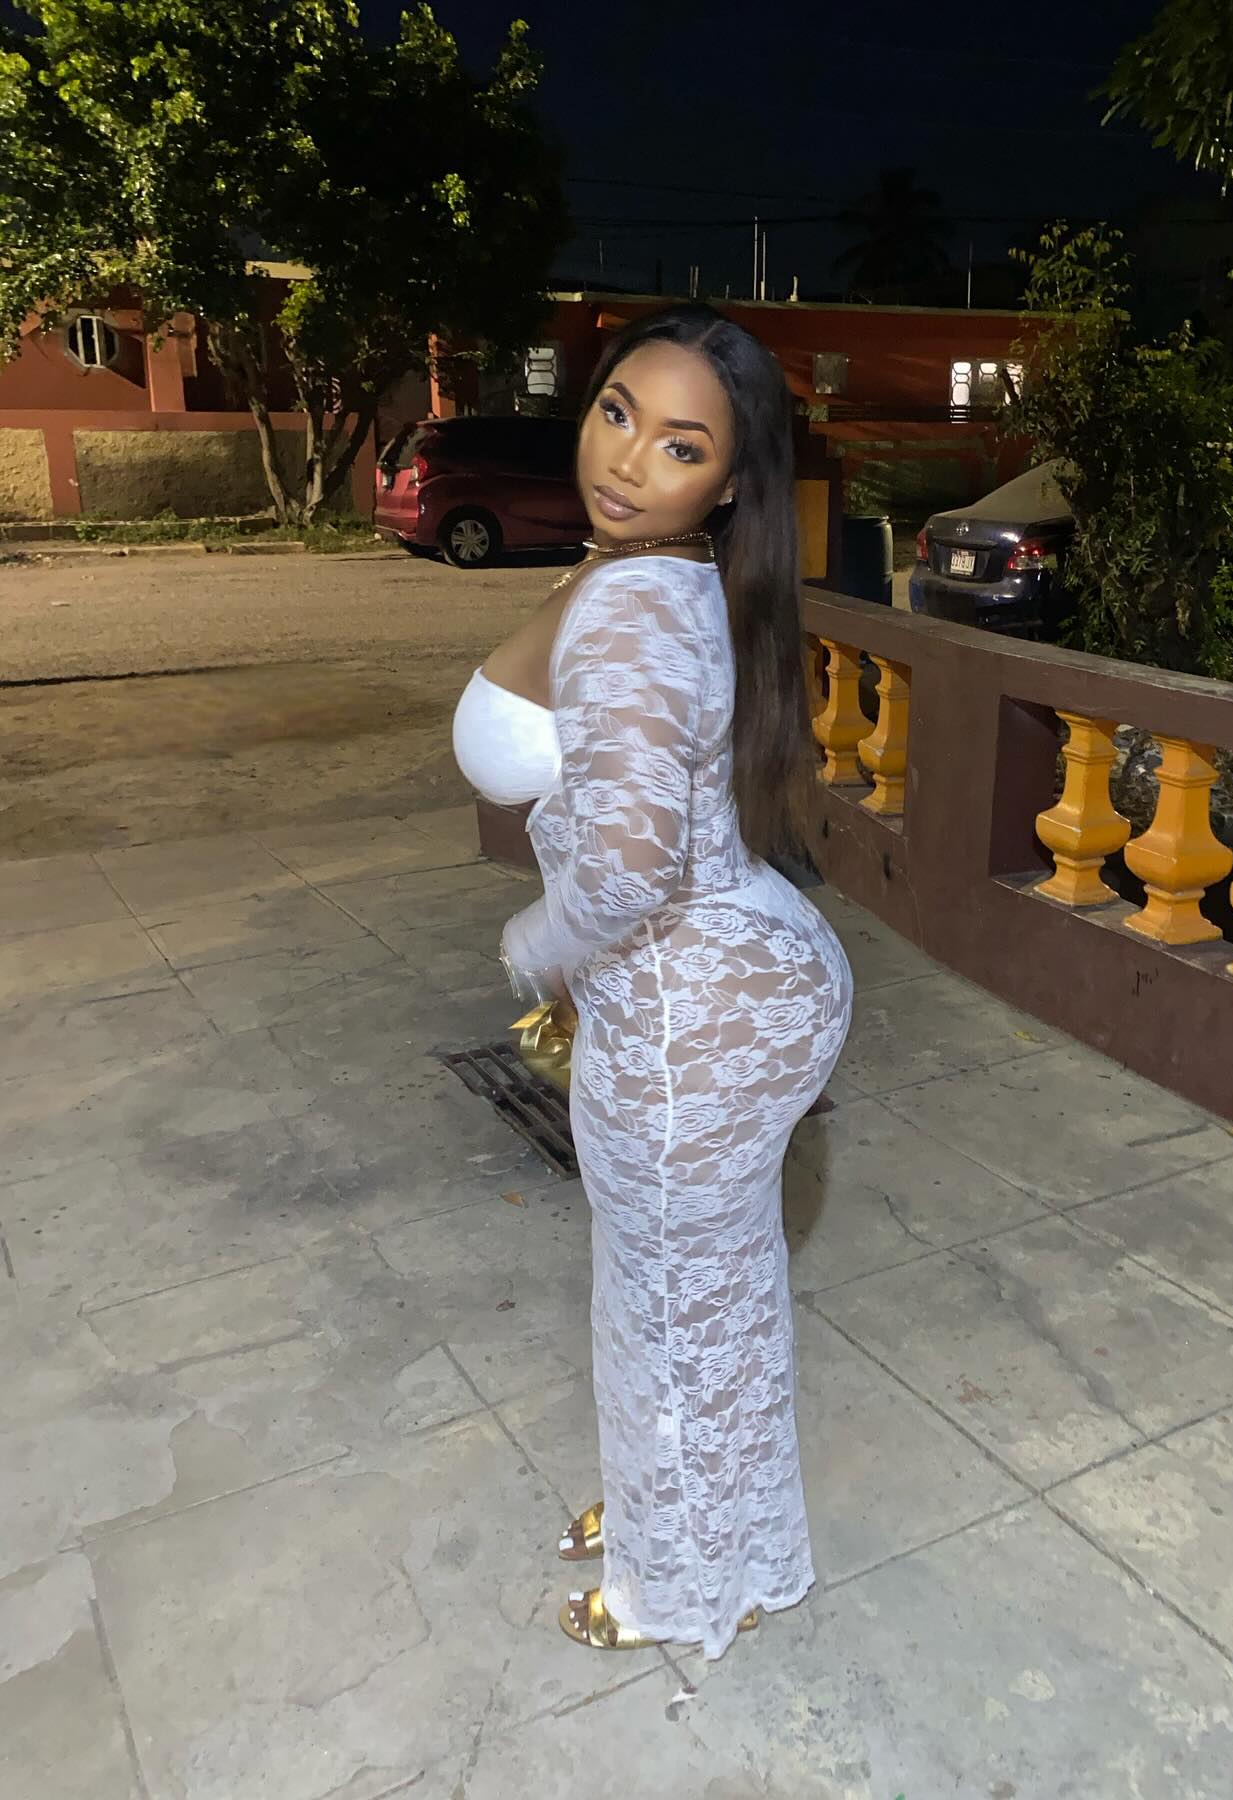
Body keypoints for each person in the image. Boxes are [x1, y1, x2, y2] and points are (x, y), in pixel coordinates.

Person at [450, 303, 853, 1659]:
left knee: (671, 1308)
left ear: (728, 482)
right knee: (707, 1294)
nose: (626, 460)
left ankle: (670, 1584)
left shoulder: (635, 601)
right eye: (618, 412)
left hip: (694, 1018)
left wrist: (530, 949)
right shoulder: (665, 572)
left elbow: (627, 872)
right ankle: (688, 1521)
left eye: (682, 445)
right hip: (728, 986)